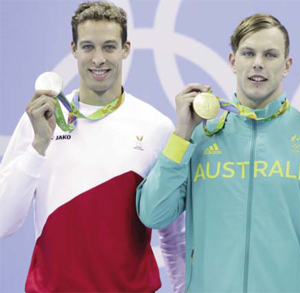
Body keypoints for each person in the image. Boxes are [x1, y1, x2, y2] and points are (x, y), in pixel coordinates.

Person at [136, 13, 300, 292]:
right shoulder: (198, 137)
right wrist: (182, 134)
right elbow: (153, 214)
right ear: (233, 61)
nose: (258, 64)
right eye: (248, 53)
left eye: (270, 55)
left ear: (287, 65)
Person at [0, 2, 185, 292]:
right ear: (73, 49)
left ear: (126, 48)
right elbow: (3, 222)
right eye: (88, 47)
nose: (98, 59)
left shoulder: (156, 127)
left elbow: (175, 236)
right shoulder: (40, 120)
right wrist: (38, 146)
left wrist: (182, 287)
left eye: (109, 47)